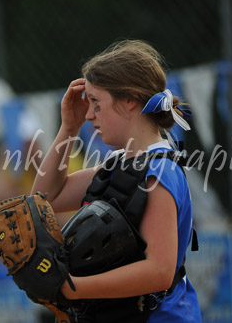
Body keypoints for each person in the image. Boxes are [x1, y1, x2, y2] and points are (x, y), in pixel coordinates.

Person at [31, 40, 201, 322]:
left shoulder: (160, 171)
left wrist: (73, 288)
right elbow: (43, 199)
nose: (89, 115)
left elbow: (160, 271)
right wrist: (68, 128)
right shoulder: (118, 165)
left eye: (96, 103)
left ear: (129, 101)